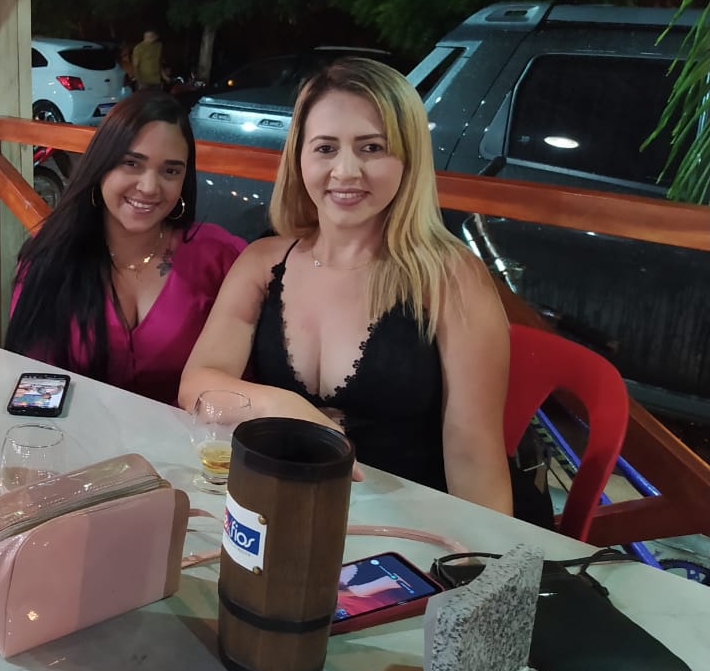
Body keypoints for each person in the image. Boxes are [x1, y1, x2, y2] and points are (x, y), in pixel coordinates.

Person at [180, 58, 513, 514]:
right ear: (299, 158)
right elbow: (198, 387)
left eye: (371, 148)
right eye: (326, 148)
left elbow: (473, 459)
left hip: (410, 524)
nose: (346, 171)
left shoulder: (451, 278)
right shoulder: (263, 261)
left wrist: (482, 553)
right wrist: (285, 407)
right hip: (290, 506)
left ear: (409, 159)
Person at [7, 90, 244, 405]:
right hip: (77, 432)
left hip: (186, 437)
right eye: (131, 163)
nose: (149, 187)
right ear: (101, 165)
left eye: (170, 171)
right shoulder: (50, 255)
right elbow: (34, 387)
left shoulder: (222, 257)